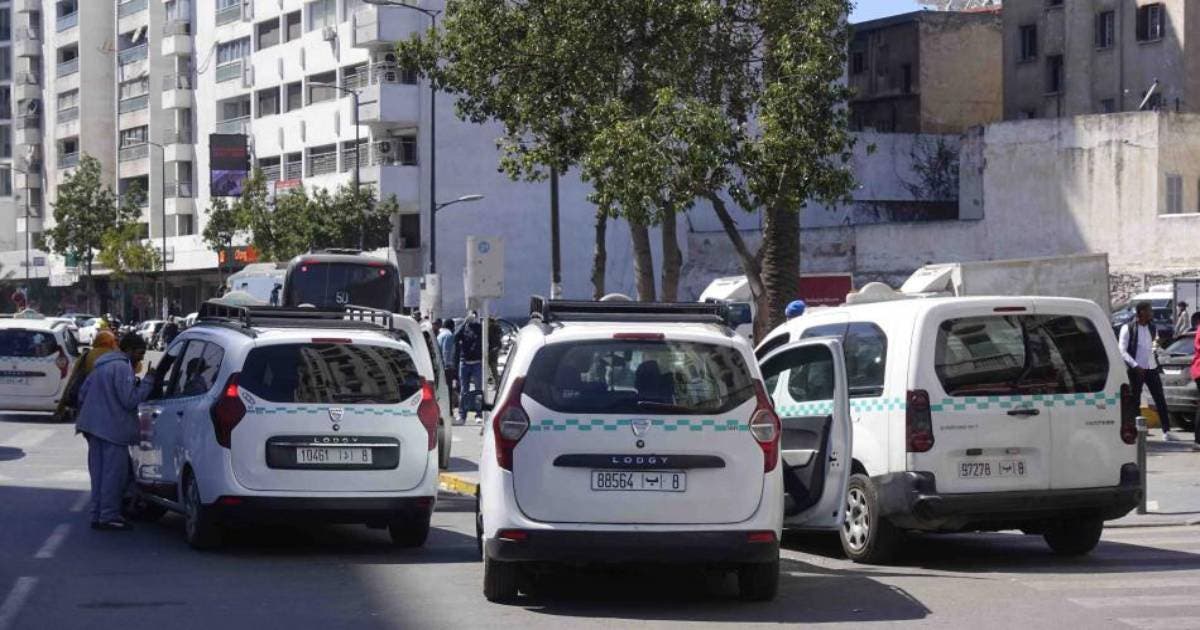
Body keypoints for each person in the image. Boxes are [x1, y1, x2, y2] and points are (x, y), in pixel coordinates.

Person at [76, 334, 154, 531]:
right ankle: (109, 516)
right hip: (113, 430)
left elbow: (82, 394)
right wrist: (148, 382)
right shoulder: (122, 367)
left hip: (94, 427)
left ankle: (97, 514)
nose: (141, 358)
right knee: (113, 475)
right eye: (139, 353)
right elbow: (129, 400)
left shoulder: (101, 366)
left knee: (99, 475)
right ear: (128, 350)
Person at [1119, 302, 1174, 439]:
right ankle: (1139, 431)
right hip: (1136, 370)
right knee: (1135, 401)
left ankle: (1166, 431)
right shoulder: (1128, 328)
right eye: (1149, 310)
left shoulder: (1151, 327)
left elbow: (1150, 347)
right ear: (1141, 312)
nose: (1152, 313)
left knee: (1160, 398)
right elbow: (1122, 351)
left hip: (1151, 368)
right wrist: (1135, 366)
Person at [54, 330, 119, 422]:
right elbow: (137, 369)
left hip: (90, 400)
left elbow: (72, 379)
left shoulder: (87, 355)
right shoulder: (117, 355)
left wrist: (60, 409)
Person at [454, 313, 484, 424]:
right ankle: (462, 415)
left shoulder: (479, 328)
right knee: (463, 390)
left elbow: (485, 340)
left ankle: (479, 413)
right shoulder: (464, 328)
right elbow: (455, 337)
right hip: (464, 362)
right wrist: (464, 322)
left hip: (477, 363)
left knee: (478, 389)